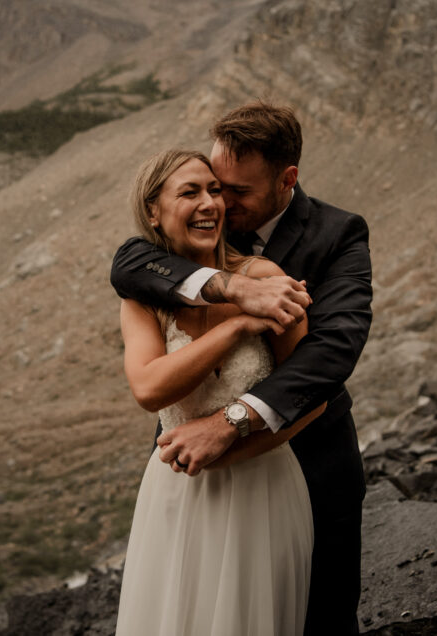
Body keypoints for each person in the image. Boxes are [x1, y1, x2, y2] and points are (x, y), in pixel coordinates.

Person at [111, 102, 372, 634]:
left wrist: (229, 423)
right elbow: (127, 266)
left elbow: (329, 356)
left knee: (317, 616)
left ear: (286, 180)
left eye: (235, 192)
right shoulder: (170, 245)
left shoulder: (339, 234)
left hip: (309, 465)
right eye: (209, 185)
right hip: (187, 475)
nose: (219, 203)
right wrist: (238, 295)